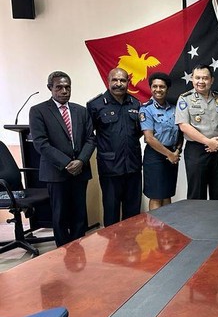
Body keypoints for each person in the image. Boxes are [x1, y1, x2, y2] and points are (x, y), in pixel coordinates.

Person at [29, 71, 96, 246]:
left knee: (80, 214)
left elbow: (91, 138)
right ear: (50, 88)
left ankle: (79, 249)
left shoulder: (81, 110)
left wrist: (80, 161)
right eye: (59, 87)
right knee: (60, 215)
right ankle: (63, 252)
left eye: (67, 87)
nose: (64, 91)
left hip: (80, 170)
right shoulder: (38, 111)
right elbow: (41, 143)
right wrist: (66, 163)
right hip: (56, 172)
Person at [87, 67, 142, 227]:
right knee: (111, 211)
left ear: (128, 82)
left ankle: (131, 248)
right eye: (115, 80)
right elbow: (89, 135)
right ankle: (113, 249)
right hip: (110, 167)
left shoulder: (135, 103)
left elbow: (137, 132)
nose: (119, 84)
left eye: (123, 80)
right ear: (108, 81)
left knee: (133, 213)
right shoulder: (95, 105)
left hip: (133, 165)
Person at [175, 65, 218, 200]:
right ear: (192, 79)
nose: (201, 81)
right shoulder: (184, 99)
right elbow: (184, 126)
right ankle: (196, 222)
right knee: (197, 193)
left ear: (212, 80)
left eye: (205, 78)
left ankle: (217, 221)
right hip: (196, 150)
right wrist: (208, 142)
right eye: (197, 78)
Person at [139, 72, 183, 209]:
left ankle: (166, 229)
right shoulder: (146, 109)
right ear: (151, 88)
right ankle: (155, 230)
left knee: (167, 193)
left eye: (162, 87)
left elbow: (179, 133)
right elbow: (149, 138)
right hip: (155, 156)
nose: (158, 90)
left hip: (172, 155)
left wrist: (176, 151)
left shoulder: (174, 108)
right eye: (155, 86)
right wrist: (169, 154)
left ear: (167, 89)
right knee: (156, 195)